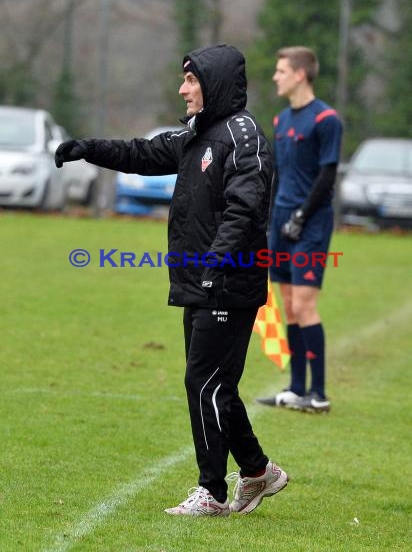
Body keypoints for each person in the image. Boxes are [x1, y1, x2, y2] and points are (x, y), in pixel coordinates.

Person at [55, 44, 288, 516]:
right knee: (215, 384)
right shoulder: (198, 134)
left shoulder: (243, 136)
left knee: (204, 382)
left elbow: (246, 207)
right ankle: (258, 471)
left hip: (226, 280)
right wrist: (89, 148)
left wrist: (217, 263)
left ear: (213, 83)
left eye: (190, 81)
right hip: (202, 280)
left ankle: (214, 491)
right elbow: (143, 152)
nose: (182, 90)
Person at [257, 46, 343, 413]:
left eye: (281, 71)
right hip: (280, 221)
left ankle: (319, 393)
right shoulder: (280, 121)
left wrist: (302, 216)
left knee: (306, 304)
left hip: (311, 224)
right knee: (289, 305)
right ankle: (295, 388)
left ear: (300, 74)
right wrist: (269, 218)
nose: (275, 77)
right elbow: (278, 174)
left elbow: (327, 175)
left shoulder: (326, 120)